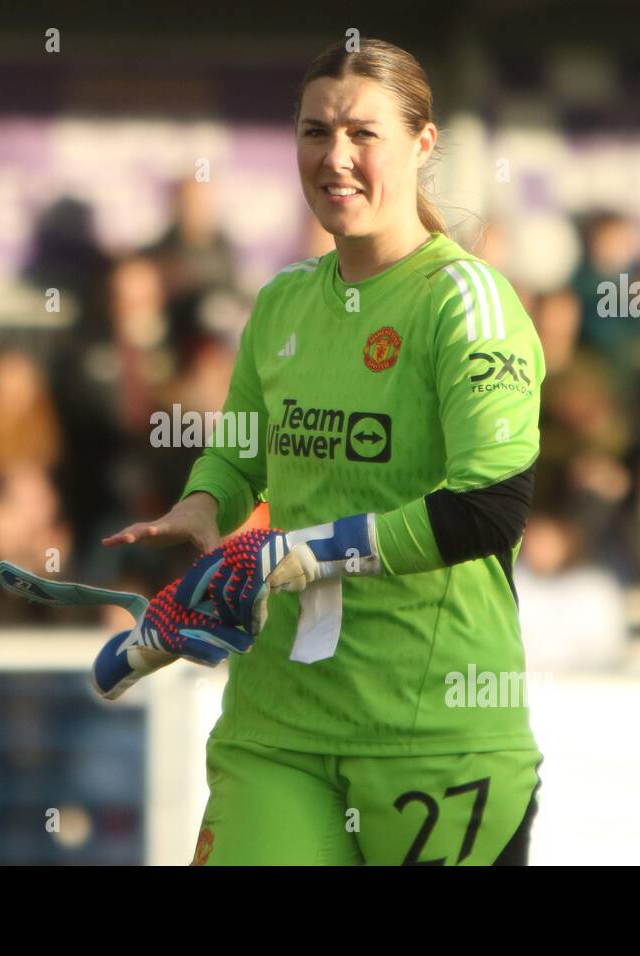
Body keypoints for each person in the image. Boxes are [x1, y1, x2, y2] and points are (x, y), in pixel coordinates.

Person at [105, 38, 544, 865]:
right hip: (277, 730)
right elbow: (240, 453)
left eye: (361, 135)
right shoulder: (281, 300)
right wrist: (203, 504)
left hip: (434, 735)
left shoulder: (466, 301)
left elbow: (491, 506)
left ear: (422, 144)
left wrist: (304, 554)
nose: (334, 158)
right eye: (314, 132)